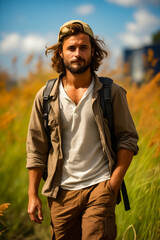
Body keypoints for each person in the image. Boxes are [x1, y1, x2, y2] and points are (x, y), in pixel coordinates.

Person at [26, 20, 139, 240]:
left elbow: (128, 139)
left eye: (83, 47)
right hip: (61, 194)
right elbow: (36, 148)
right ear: (61, 53)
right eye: (71, 48)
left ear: (93, 51)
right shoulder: (45, 96)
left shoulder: (111, 92)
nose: (77, 53)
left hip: (100, 187)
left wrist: (111, 187)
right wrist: (33, 194)